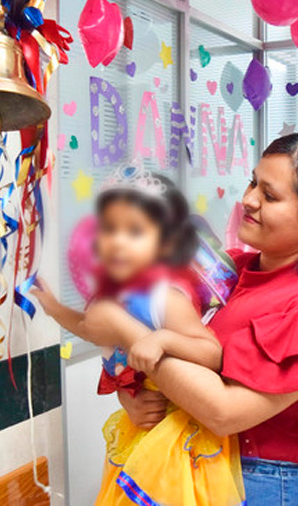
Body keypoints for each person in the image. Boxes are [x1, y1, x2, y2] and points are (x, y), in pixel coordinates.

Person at [84, 133, 298, 505]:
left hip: (263, 484)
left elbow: (223, 412)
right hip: (194, 468)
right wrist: (130, 395)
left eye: (270, 195)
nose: (248, 200)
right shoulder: (225, 272)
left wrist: (128, 331)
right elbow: (146, 323)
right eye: (252, 182)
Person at [31, 166, 245, 505]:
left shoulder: (166, 297)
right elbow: (90, 327)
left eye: (134, 231)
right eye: (109, 229)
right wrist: (54, 308)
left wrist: (163, 340)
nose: (117, 240)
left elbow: (211, 352)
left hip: (179, 433)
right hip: (141, 425)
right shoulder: (115, 295)